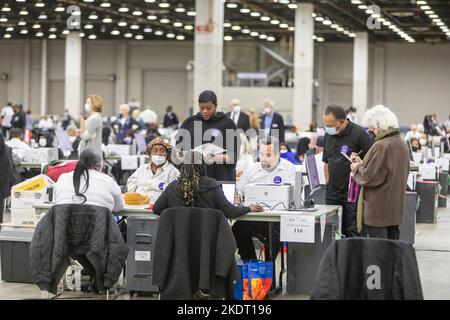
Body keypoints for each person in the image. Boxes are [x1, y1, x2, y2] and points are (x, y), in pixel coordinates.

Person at [350, 105, 409, 240]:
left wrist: (356, 168)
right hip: (394, 208)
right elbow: (383, 169)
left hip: (379, 210)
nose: (370, 130)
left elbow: (369, 177)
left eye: (371, 126)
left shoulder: (382, 145)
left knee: (379, 252)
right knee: (392, 248)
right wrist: (361, 163)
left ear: (379, 125)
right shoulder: (401, 143)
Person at [233, 137, 296, 260]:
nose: (263, 158)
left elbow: (294, 196)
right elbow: (238, 189)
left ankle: (269, 268)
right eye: (261, 154)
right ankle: (250, 261)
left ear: (277, 154)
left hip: (278, 220)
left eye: (268, 154)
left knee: (274, 235)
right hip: (255, 217)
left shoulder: (289, 169)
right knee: (237, 227)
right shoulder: (252, 169)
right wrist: (237, 197)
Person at [153, 151, 263, 218]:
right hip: (206, 244)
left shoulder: (173, 186)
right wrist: (249, 208)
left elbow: (157, 209)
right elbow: (230, 212)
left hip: (179, 244)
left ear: (183, 166)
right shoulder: (212, 186)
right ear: (203, 166)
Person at [322, 105, 372, 238]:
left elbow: (372, 161)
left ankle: (355, 258)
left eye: (330, 125)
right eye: (325, 124)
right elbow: (326, 161)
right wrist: (328, 184)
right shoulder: (328, 135)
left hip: (353, 192)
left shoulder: (360, 134)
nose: (328, 128)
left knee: (353, 229)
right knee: (332, 230)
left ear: (342, 122)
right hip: (333, 192)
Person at [176, 90, 239, 181]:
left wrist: (214, 157)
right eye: (202, 108)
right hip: (194, 178)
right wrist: (188, 155)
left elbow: (234, 157)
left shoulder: (228, 124)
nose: (205, 111)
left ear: (216, 106)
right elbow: (178, 153)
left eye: (209, 108)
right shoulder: (189, 123)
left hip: (220, 177)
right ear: (198, 106)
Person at [55, 148, 124, 213]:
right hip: (98, 224)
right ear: (98, 166)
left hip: (65, 224)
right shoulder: (108, 181)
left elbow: (56, 200)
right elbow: (119, 207)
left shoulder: (62, 178)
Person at [127, 138, 180, 204]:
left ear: (167, 154)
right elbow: (131, 182)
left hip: (159, 209)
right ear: (150, 153)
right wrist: (133, 196)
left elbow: (174, 192)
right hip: (138, 205)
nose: (159, 153)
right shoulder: (142, 168)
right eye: (155, 150)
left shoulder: (173, 171)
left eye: (162, 150)